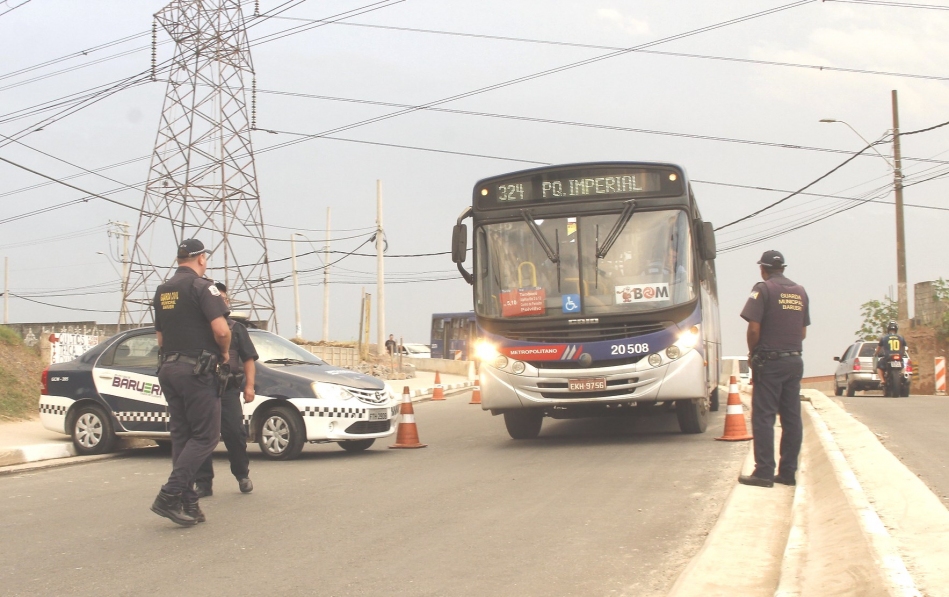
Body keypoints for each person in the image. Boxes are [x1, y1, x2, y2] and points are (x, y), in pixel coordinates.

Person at [150, 239, 231, 526]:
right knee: (206, 437)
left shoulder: (162, 291)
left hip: (169, 368)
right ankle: (169, 495)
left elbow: (160, 338)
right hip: (197, 371)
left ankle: (189, 503)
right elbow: (222, 331)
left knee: (182, 438)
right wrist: (223, 353)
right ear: (201, 259)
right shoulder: (202, 287)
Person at [738, 250, 810, 488]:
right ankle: (788, 473)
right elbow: (802, 332)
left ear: (763, 269)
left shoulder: (763, 289)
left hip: (770, 361)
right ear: (783, 268)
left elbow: (753, 329)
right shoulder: (800, 292)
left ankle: (764, 472)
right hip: (794, 361)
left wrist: (752, 353)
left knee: (764, 416)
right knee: (791, 417)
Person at [194, 282, 258, 498]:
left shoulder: (236, 329)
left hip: (228, 389)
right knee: (202, 436)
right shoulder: (199, 328)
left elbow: (248, 359)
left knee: (234, 434)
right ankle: (203, 483)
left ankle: (242, 475)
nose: (222, 303)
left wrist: (249, 386)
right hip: (203, 388)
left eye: (224, 299)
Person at [875, 320, 908, 387]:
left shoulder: (884, 338)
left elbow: (879, 348)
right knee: (903, 365)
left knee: (879, 367)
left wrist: (875, 354)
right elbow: (904, 347)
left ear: (888, 329)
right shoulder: (901, 337)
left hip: (888, 357)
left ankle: (882, 381)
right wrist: (902, 353)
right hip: (898, 356)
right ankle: (903, 374)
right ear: (896, 329)